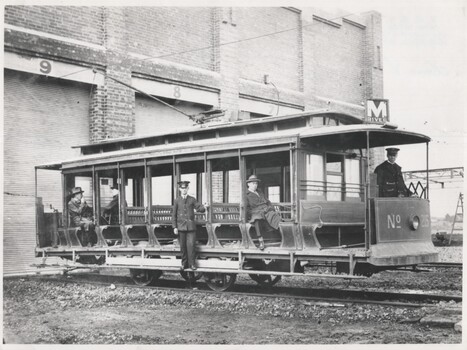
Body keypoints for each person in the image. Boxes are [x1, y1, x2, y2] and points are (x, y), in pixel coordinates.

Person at [172, 181, 207, 275]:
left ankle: (192, 264)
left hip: (191, 227)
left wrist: (205, 207)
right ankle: (184, 264)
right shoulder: (177, 200)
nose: (184, 190)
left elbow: (199, 208)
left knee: (191, 246)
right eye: (182, 188)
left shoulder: (192, 199)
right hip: (180, 227)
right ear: (180, 189)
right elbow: (174, 215)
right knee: (183, 247)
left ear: (188, 189)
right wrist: (174, 227)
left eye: (185, 188)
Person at [245, 175, 282, 250]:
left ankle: (278, 236)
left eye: (256, 183)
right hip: (255, 212)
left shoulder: (260, 192)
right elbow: (247, 208)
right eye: (253, 183)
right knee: (257, 218)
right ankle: (260, 240)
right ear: (248, 184)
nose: (255, 185)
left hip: (265, 210)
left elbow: (268, 201)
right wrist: (249, 215)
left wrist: (271, 208)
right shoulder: (246, 195)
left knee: (274, 216)